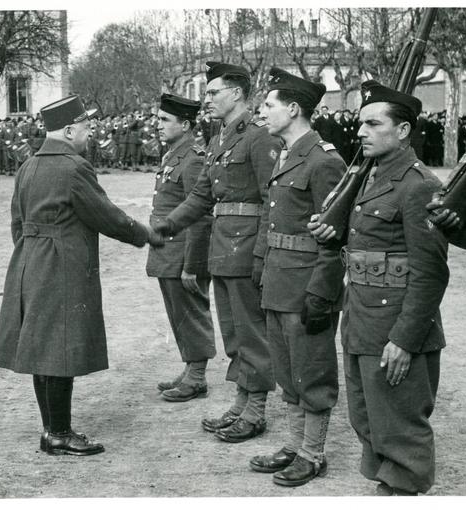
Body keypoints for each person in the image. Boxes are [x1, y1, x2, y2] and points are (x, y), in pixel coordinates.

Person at [0, 95, 165, 456]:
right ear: (69, 130)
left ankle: (50, 430)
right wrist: (144, 234)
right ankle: (59, 433)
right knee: (59, 348)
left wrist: (32, 255)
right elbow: (105, 215)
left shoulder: (28, 166)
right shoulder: (74, 167)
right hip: (62, 268)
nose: (90, 133)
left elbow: (16, 222)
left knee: (42, 348)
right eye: (86, 127)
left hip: (29, 263)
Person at [307, 81, 449, 496]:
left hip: (395, 326)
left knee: (400, 422)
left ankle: (402, 489)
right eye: (360, 124)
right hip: (362, 318)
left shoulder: (418, 184)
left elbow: (430, 273)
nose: (361, 132)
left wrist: (404, 340)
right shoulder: (367, 176)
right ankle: (387, 484)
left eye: (373, 124)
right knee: (368, 417)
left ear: (402, 131)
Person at [155, 62, 280, 443]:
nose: (206, 99)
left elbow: (271, 200)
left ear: (237, 94)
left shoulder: (259, 137)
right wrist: (165, 226)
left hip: (246, 249)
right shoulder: (221, 137)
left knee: (251, 332)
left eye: (213, 92)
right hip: (224, 246)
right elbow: (201, 196)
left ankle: (256, 409)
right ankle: (241, 401)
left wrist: (261, 255)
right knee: (233, 333)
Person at [248, 68, 346, 487]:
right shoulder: (284, 153)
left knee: (312, 368)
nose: (262, 112)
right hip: (278, 278)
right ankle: (293, 444)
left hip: (305, 283)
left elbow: (335, 236)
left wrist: (322, 292)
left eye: (268, 105)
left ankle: (313, 452)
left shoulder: (324, 160)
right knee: (287, 369)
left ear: (292, 109)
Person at [147, 93, 216, 402]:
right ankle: (190, 369)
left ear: (186, 124)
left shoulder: (194, 158)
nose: (157, 125)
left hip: (184, 252)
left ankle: (197, 376)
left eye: (164, 120)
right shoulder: (174, 153)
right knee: (178, 313)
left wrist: (193, 264)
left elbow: (200, 215)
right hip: (168, 250)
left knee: (191, 312)